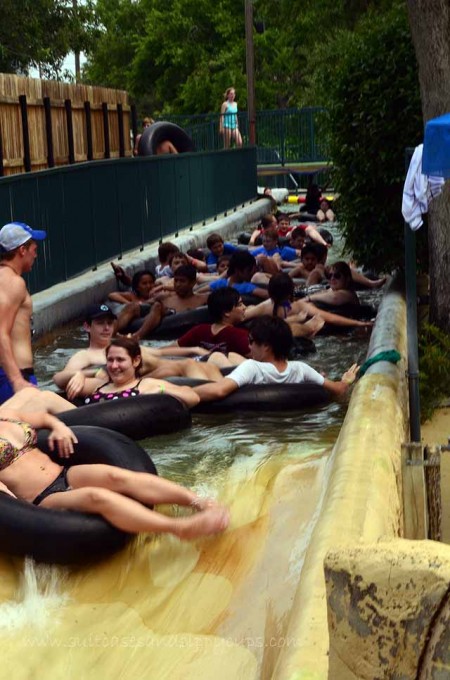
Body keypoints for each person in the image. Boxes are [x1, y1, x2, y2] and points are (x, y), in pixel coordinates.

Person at [0, 401, 229, 539]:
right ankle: (177, 528)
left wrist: (59, 427)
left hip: (63, 472)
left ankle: (198, 502)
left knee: (116, 475)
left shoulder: (8, 415)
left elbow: (43, 417)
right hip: (42, 497)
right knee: (97, 496)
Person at [192, 316, 359, 402]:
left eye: (251, 341)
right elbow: (338, 389)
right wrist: (346, 380)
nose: (249, 347)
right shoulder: (301, 369)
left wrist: (184, 393)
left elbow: (219, 390)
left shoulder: (252, 368)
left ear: (266, 346)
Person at [64, 337, 200, 409]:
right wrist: (80, 375)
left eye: (120, 360)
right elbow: (59, 380)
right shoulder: (98, 385)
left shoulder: (146, 385)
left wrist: (162, 390)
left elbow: (193, 397)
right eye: (110, 360)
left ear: (135, 361)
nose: (114, 365)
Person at [0, 222, 47, 404]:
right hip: (13, 377)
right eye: (34, 248)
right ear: (22, 250)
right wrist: (17, 381)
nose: (36, 254)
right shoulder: (12, 282)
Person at [244, 272, 373, 333]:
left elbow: (243, 316)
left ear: (270, 291)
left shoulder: (264, 307)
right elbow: (330, 318)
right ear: (291, 292)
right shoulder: (297, 306)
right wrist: (358, 323)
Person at [129, 264, 209, 341]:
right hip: (156, 327)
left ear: (193, 283)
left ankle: (137, 336)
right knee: (138, 306)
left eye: (182, 281)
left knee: (157, 306)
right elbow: (142, 305)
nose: (178, 284)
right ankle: (119, 330)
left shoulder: (203, 299)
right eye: (176, 281)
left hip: (178, 332)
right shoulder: (165, 297)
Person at [170, 288, 250, 358]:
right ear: (226, 312)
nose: (244, 307)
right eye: (240, 305)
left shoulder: (199, 330)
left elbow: (168, 350)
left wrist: (194, 350)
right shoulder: (240, 336)